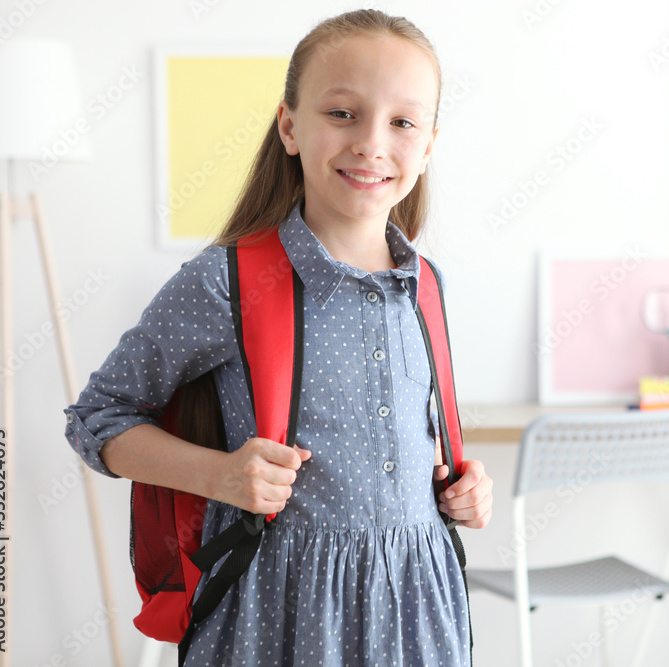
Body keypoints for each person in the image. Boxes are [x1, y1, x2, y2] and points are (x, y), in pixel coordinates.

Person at [62, 9, 492, 666]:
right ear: (290, 126)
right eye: (342, 113)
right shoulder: (226, 282)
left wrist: (460, 487)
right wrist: (221, 476)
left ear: (428, 144)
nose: (372, 143)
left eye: (402, 121)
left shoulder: (426, 286)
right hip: (282, 613)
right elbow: (96, 418)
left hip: (418, 611)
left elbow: (405, 450)